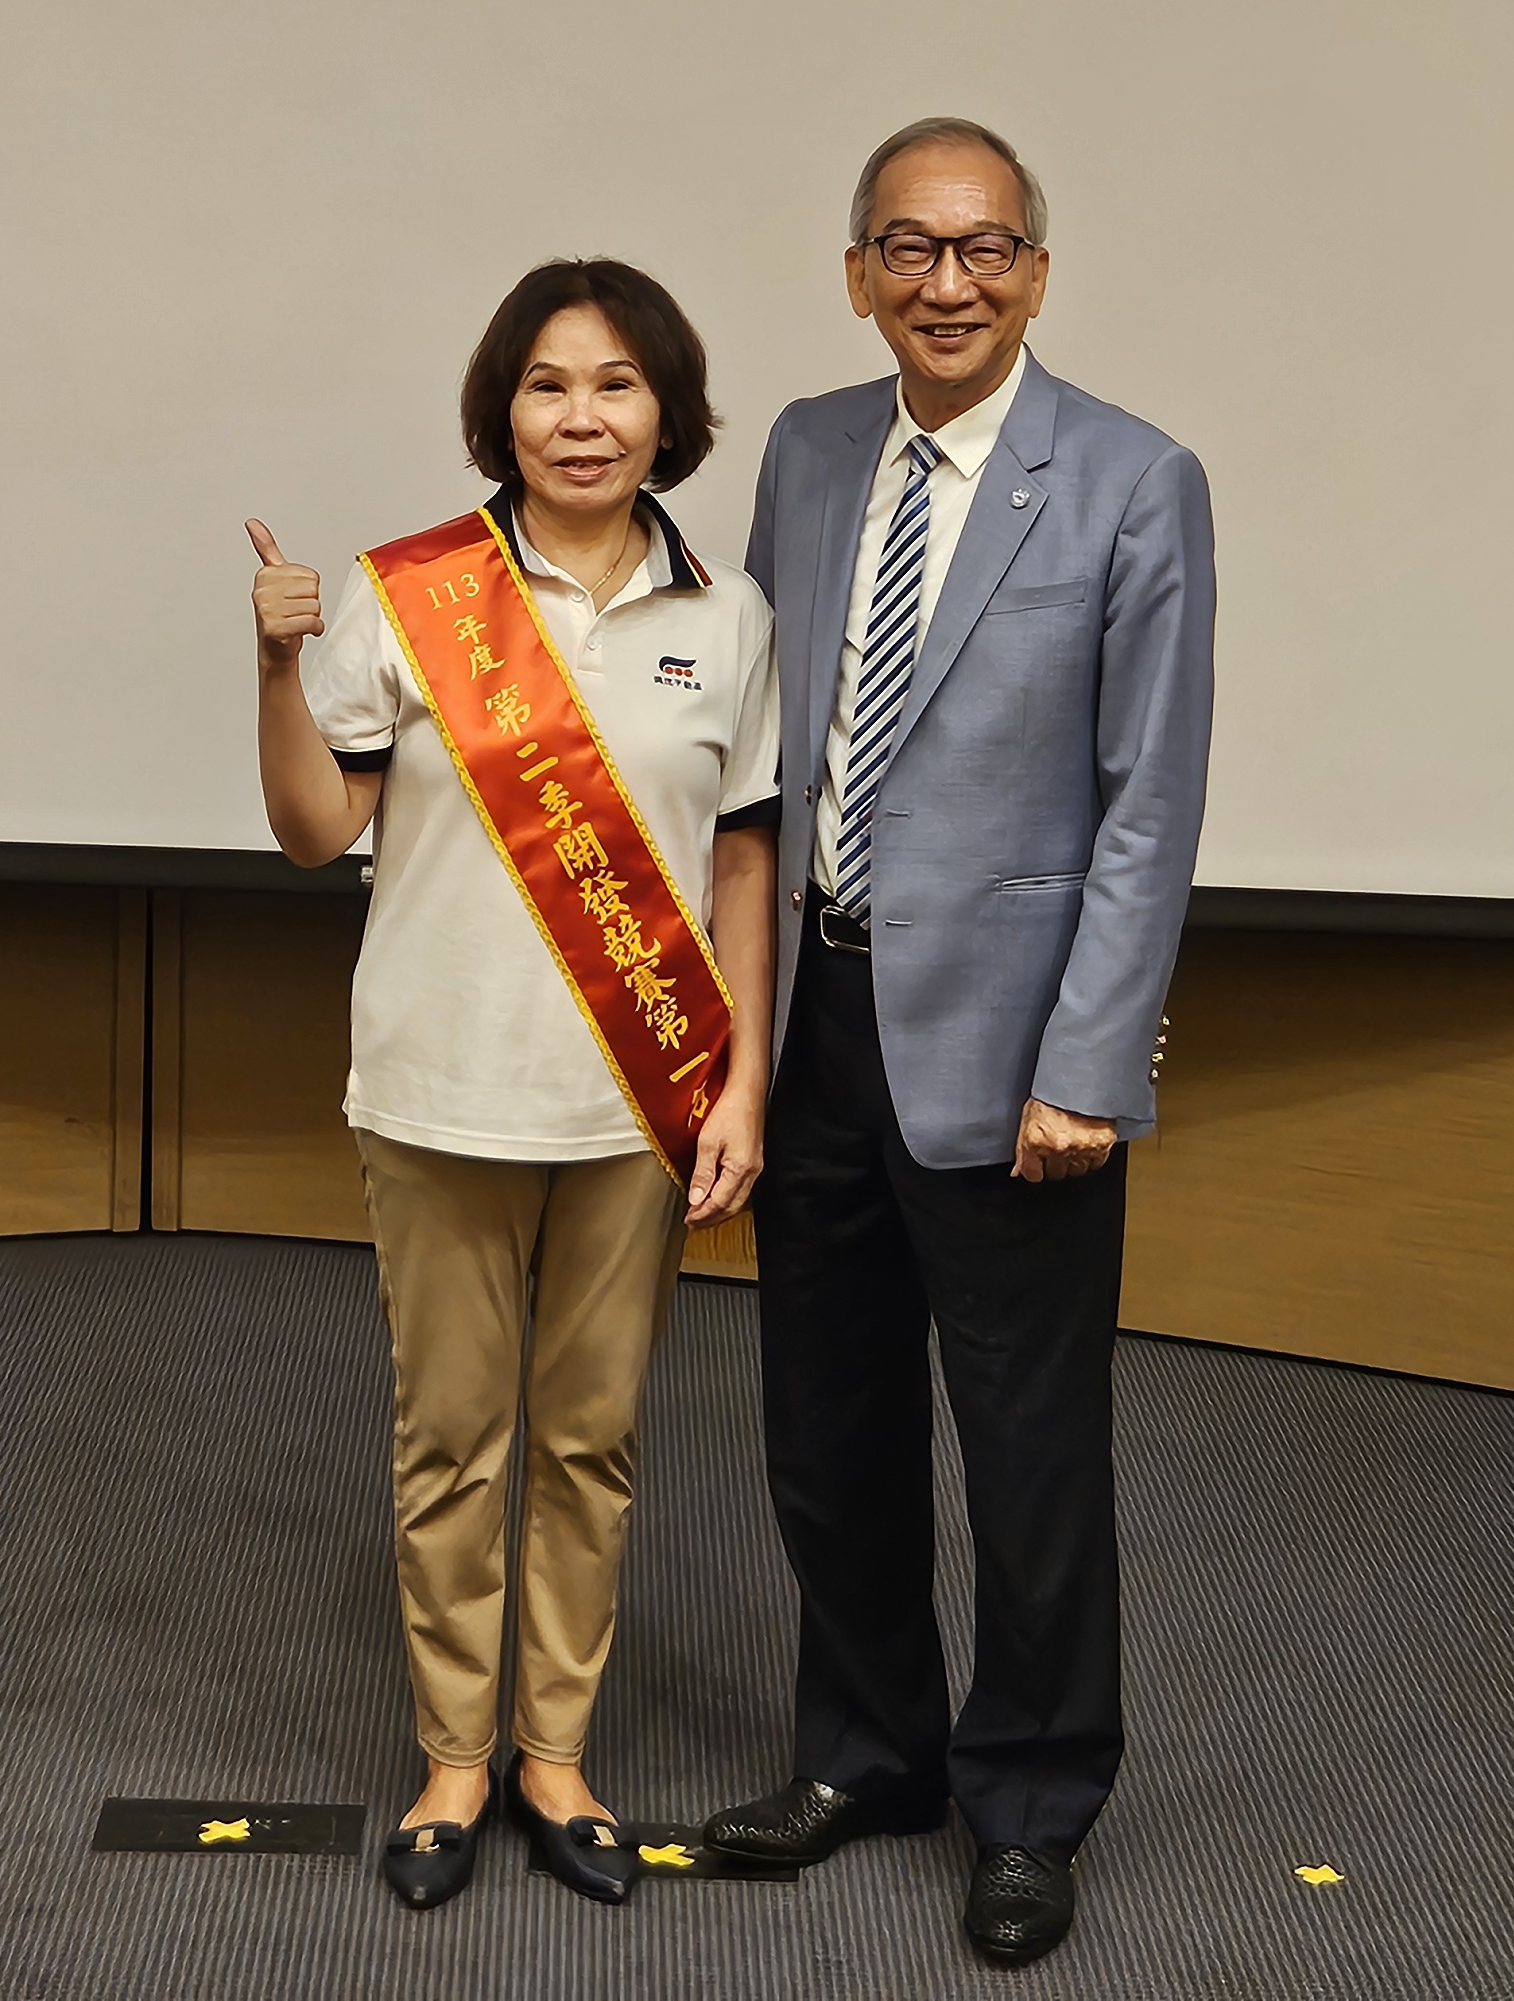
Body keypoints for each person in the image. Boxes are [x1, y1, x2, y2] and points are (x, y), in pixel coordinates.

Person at [700, 118, 1214, 1970]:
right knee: (826, 1430)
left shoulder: (1136, 482)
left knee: (1028, 1449)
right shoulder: (809, 448)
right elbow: (762, 749)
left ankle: (1030, 1802)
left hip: (1015, 1055)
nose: (948, 283)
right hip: (820, 1014)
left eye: (985, 248)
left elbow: (1149, 803)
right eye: (909, 250)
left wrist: (1091, 1063)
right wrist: (739, 1037)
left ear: (1037, 273)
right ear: (858, 276)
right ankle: (867, 1756)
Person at [245, 256, 781, 1914]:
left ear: (667, 415)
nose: (582, 417)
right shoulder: (413, 594)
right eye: (550, 384)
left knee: (594, 1443)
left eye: (617, 384)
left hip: (635, 1105)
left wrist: (744, 1081)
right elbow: (313, 831)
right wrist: (275, 669)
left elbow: (744, 861)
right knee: (454, 1444)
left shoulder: (728, 615)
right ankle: (454, 1762)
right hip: (437, 1093)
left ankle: (558, 1756)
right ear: (503, 411)